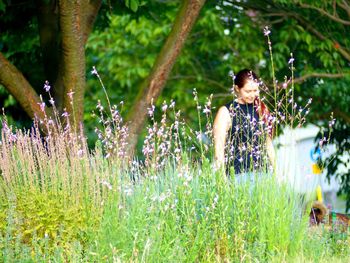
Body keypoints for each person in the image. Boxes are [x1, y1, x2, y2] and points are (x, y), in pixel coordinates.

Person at [213, 69, 275, 178]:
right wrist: (222, 180)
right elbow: (219, 150)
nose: (252, 95)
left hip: (264, 175)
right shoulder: (226, 112)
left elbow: (268, 144)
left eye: (255, 90)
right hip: (238, 175)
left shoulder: (261, 109)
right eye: (248, 91)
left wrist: (276, 173)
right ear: (237, 89)